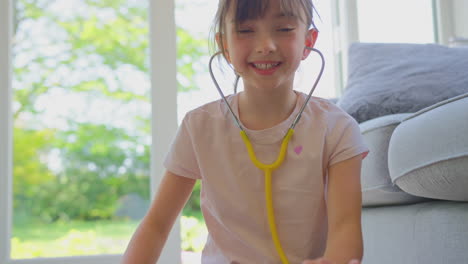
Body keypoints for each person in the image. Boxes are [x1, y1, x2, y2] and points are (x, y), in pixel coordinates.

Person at [122, 0, 369, 263]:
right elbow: (156, 225)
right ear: (224, 45)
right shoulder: (200, 126)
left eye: (284, 29)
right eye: (245, 30)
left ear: (309, 41)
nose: (266, 45)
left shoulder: (337, 129)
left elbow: (346, 228)